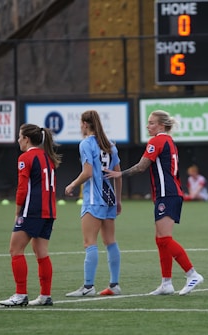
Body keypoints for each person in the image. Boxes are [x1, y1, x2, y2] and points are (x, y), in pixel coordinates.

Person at [104, 110, 204, 296]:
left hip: (167, 194)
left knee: (165, 239)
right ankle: (166, 283)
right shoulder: (169, 142)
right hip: (168, 194)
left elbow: (142, 166)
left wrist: (119, 173)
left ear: (161, 125)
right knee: (160, 239)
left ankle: (192, 274)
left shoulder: (157, 141)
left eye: (151, 123)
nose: (148, 126)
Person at [0, 124, 62, 307]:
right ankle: (45, 296)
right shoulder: (48, 157)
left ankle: (20, 294)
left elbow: (22, 188)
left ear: (27, 139)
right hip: (49, 211)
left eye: (20, 136)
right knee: (41, 252)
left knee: (15, 250)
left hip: (32, 211)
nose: (18, 140)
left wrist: (18, 210)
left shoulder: (25, 157)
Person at [65, 110, 123, 297]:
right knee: (110, 241)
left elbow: (88, 172)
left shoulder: (86, 144)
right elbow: (118, 175)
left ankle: (88, 287)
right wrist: (118, 199)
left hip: (93, 199)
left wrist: (72, 184)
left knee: (90, 242)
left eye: (81, 123)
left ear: (84, 124)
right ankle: (114, 285)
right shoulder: (110, 145)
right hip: (109, 199)